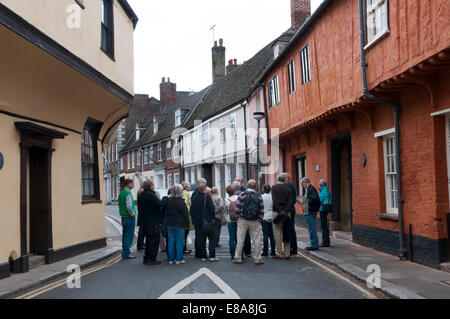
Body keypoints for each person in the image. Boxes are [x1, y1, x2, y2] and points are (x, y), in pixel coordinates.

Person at [232, 180, 265, 265]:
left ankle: (238, 257)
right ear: (255, 186)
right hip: (255, 220)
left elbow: (237, 208)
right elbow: (261, 208)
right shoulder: (258, 196)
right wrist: (260, 219)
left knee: (240, 239)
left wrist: (238, 217)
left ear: (247, 186)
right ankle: (258, 258)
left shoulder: (242, 194)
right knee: (256, 240)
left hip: (243, 220)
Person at [137, 179, 168, 265]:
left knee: (148, 241)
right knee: (154, 242)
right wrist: (166, 198)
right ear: (151, 186)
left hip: (144, 222)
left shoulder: (141, 195)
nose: (154, 186)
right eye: (153, 185)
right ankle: (151, 259)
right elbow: (159, 203)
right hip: (152, 222)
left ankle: (146, 259)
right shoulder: (151, 195)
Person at [190, 178, 219, 262]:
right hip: (207, 220)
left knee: (200, 237)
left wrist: (194, 218)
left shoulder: (194, 196)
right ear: (205, 188)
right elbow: (211, 209)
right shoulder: (207, 197)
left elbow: (191, 210)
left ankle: (201, 254)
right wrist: (213, 218)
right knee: (211, 238)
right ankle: (212, 255)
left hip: (198, 220)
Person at [165, 184, 190, 264]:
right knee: (179, 242)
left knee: (170, 242)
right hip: (179, 224)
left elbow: (165, 212)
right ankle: (179, 259)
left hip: (169, 223)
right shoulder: (181, 202)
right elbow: (185, 214)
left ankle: (171, 259)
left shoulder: (168, 201)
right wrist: (187, 224)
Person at [271, 173, 293, 259]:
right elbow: (290, 201)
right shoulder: (288, 188)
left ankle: (279, 253)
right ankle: (287, 254)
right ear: (284, 180)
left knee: (277, 233)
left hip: (277, 212)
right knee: (287, 231)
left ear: (277, 180)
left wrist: (280, 212)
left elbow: (274, 201)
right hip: (286, 213)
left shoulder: (274, 187)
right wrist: (285, 212)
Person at [298, 177, 320, 251]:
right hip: (309, 212)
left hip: (310, 212)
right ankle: (314, 243)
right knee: (311, 228)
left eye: (302, 183)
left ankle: (314, 244)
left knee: (312, 228)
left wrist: (305, 201)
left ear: (305, 182)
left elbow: (315, 199)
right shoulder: (308, 189)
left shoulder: (311, 189)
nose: (302, 185)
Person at [118, 179, 137, 260]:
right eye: (132, 183)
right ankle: (127, 253)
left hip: (123, 217)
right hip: (129, 217)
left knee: (125, 235)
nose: (133, 184)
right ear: (127, 184)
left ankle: (125, 252)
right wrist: (133, 214)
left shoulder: (121, 193)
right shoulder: (128, 193)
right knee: (129, 236)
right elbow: (129, 206)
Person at [234, 177, 252, 257]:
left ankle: (247, 252)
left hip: (243, 215)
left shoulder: (244, 191)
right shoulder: (235, 190)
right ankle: (240, 252)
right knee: (239, 235)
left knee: (245, 235)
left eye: (237, 180)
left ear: (241, 182)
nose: (235, 182)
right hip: (239, 215)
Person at [284, 173, 298, 256]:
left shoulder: (289, 186)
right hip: (291, 209)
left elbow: (290, 199)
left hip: (290, 209)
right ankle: (293, 248)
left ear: (286, 179)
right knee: (291, 229)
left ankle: (292, 248)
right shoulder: (291, 185)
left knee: (290, 229)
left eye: (283, 179)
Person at [261, 184, 276, 257]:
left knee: (265, 235)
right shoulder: (273, 197)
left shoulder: (261, 197)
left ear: (263, 189)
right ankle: (273, 251)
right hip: (271, 217)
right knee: (272, 235)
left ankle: (265, 251)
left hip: (264, 217)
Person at [225, 184, 239, 259]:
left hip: (230, 220)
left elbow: (226, 209)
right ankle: (239, 253)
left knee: (232, 237)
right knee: (239, 238)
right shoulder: (238, 197)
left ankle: (232, 254)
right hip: (239, 220)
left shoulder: (226, 199)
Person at [318, 179, 332, 247]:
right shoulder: (326, 189)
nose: (318, 186)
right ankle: (326, 241)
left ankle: (325, 242)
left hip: (323, 209)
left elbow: (319, 199)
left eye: (319, 184)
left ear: (321, 185)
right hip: (324, 209)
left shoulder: (324, 190)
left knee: (324, 226)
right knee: (324, 226)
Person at [182, 181, 194, 254]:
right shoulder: (186, 193)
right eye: (189, 186)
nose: (190, 187)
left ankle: (183, 248)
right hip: (186, 216)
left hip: (182, 216)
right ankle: (184, 249)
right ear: (186, 187)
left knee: (183, 234)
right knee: (185, 234)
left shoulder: (182, 192)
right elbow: (187, 205)